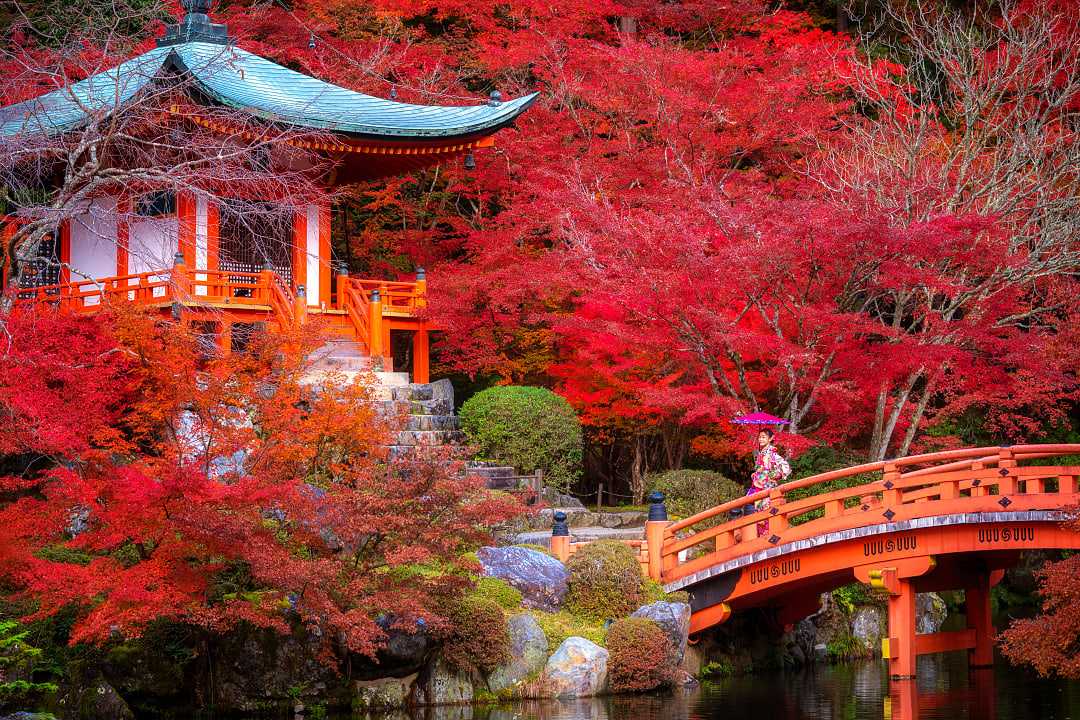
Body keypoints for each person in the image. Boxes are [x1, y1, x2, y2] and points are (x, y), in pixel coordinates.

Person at [747, 428, 791, 536]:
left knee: (768, 515)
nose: (760, 439)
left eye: (763, 437)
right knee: (760, 517)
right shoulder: (761, 453)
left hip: (767, 488)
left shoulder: (772, 454)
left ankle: (770, 539)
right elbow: (761, 470)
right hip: (760, 488)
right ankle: (764, 540)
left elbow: (786, 468)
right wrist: (756, 474)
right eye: (760, 437)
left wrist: (771, 476)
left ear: (771, 438)